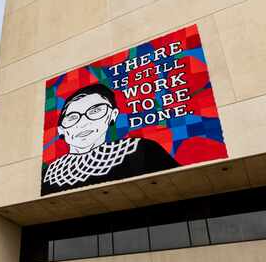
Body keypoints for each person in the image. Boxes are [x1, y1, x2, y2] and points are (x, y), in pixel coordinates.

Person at [42, 83, 178, 195]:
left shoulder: (141, 150)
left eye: (95, 111)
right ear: (61, 130)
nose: (83, 123)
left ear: (112, 115)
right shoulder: (48, 175)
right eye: (72, 117)